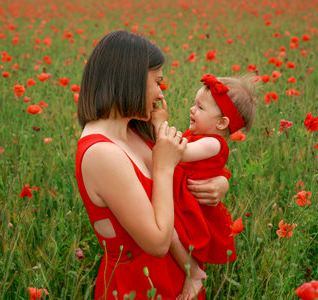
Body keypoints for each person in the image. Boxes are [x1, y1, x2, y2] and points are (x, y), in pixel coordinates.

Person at [75, 30, 229, 300]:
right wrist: (163, 166)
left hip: (175, 275)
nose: (160, 92)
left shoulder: (132, 130)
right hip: (140, 284)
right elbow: (157, 242)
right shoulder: (101, 153)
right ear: (130, 79)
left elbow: (179, 180)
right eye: (157, 81)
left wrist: (220, 182)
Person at [152, 73, 257, 299]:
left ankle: (194, 272)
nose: (192, 109)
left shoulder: (213, 143)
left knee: (167, 232)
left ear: (221, 123)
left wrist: (160, 124)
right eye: (194, 104)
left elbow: (177, 153)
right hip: (181, 197)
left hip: (190, 205)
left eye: (200, 108)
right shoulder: (200, 135)